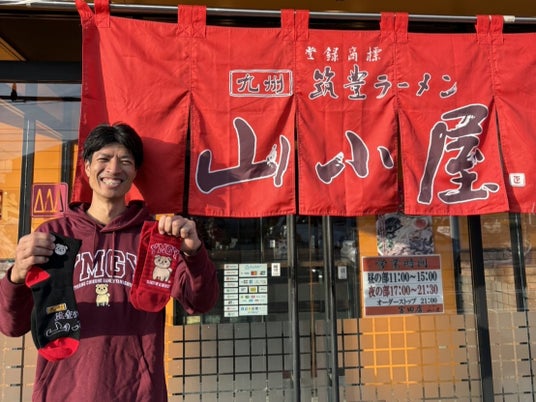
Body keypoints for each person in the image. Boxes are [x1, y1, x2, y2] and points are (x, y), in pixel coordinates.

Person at [0, 122, 219, 401]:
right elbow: (11, 325)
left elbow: (199, 302)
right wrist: (17, 275)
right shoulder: (53, 237)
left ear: (135, 172)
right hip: (62, 392)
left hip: (137, 393)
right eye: (104, 158)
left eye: (125, 161)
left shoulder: (154, 239)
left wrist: (194, 253)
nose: (114, 169)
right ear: (87, 167)